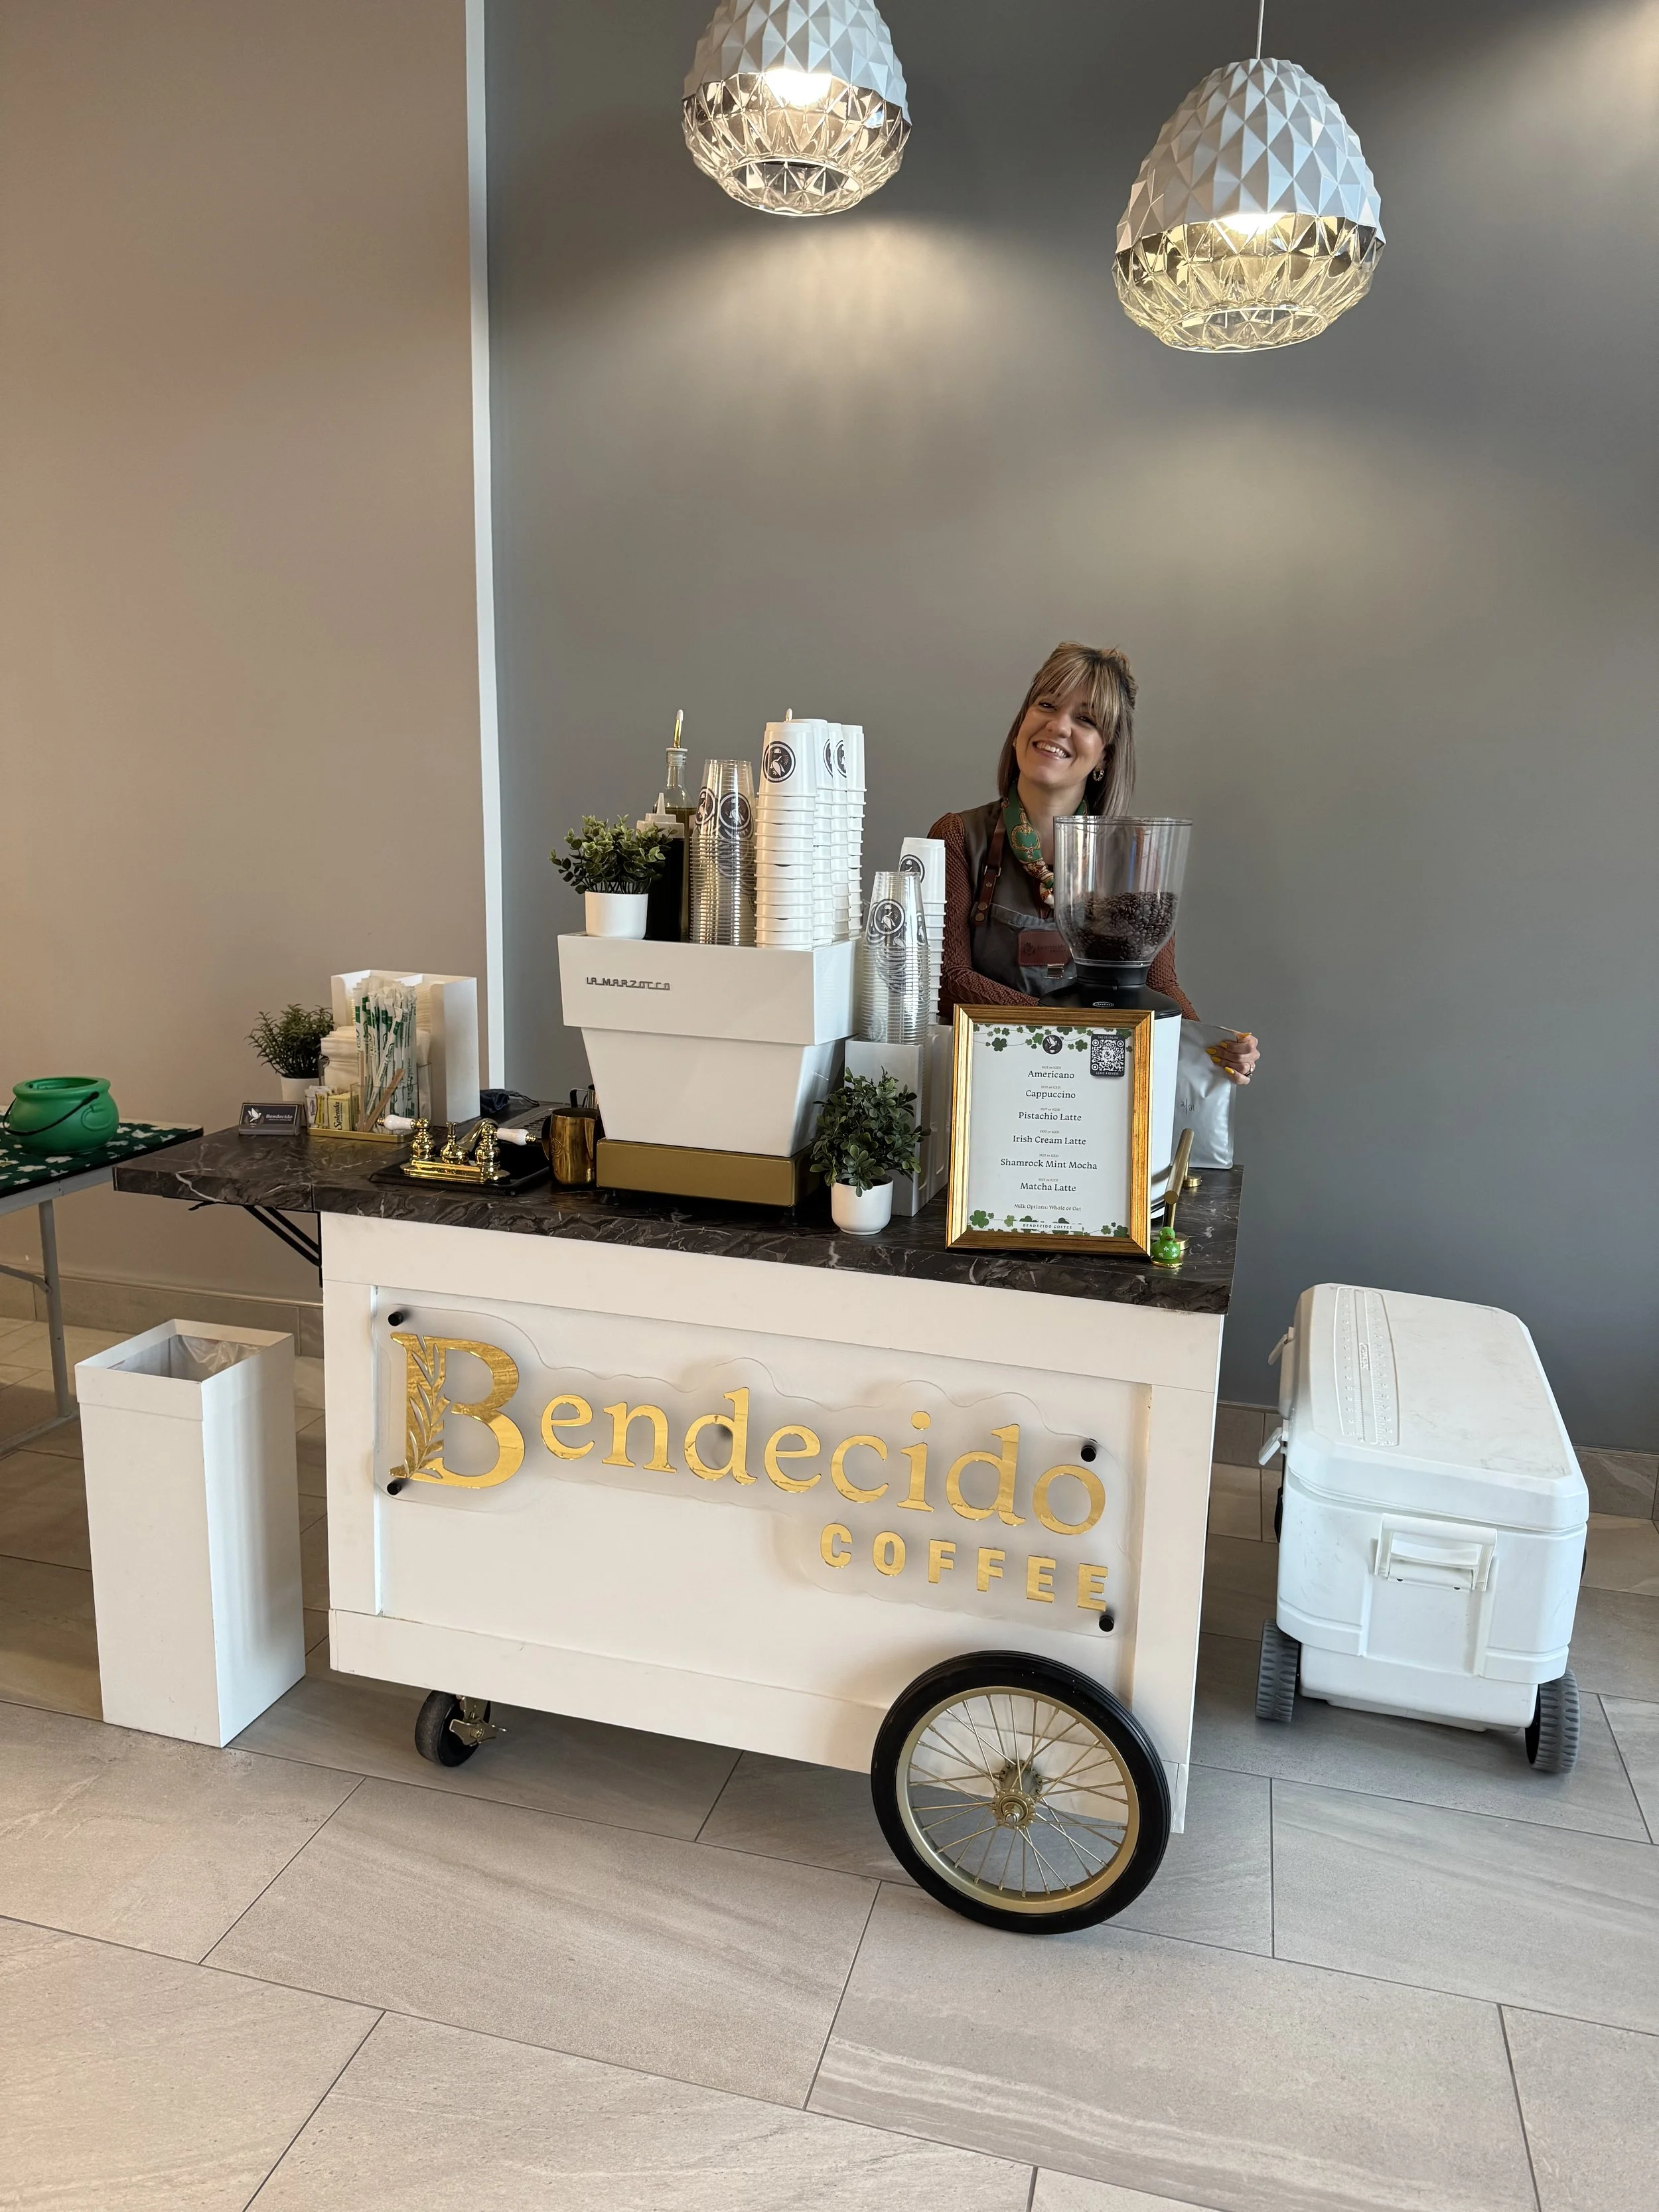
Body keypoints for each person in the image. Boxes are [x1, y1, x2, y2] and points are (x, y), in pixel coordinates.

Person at [929, 642, 1260, 1083]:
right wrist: (1072, 1026)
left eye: (1086, 719)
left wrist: (1212, 1045)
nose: (1058, 725)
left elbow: (1159, 985)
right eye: (1047, 705)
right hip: (985, 1084)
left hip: (1098, 1085)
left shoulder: (1134, 852)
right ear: (1021, 723)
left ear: (1105, 754)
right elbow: (947, 979)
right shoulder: (957, 836)